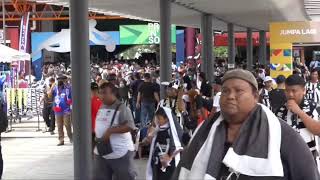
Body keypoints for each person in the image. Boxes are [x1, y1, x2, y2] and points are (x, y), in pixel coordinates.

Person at [172, 69, 320, 180]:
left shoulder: (282, 135)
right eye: (225, 91)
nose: (230, 96)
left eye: (239, 91)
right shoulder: (204, 132)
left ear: (255, 96)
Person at [275, 74, 320, 171]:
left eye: (294, 91)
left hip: (309, 160)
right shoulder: (280, 110)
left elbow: (318, 130)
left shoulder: (313, 107)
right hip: (286, 162)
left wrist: (299, 112)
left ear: (304, 91)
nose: (290, 94)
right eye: (287, 90)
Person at [93, 82, 137, 180]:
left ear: (113, 93)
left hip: (120, 153)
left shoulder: (122, 108)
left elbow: (130, 126)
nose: (101, 96)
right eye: (100, 93)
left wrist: (110, 131)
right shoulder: (102, 106)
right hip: (102, 152)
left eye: (104, 93)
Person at [146, 107, 183, 180]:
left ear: (166, 119)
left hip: (169, 165)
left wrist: (170, 158)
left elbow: (179, 147)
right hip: (157, 164)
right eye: (157, 118)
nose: (157, 121)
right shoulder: (157, 130)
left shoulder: (172, 132)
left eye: (159, 119)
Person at [51, 74, 73, 146]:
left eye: (62, 80)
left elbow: (72, 97)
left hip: (66, 109)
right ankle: (61, 140)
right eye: (59, 80)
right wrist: (52, 87)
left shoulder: (68, 88)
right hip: (57, 110)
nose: (60, 81)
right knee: (59, 126)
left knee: (67, 124)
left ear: (65, 81)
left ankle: (71, 137)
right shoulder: (55, 88)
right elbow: (49, 95)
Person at [91, 82, 102, 151]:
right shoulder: (100, 99)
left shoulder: (100, 100)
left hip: (96, 128)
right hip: (95, 128)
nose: (94, 92)